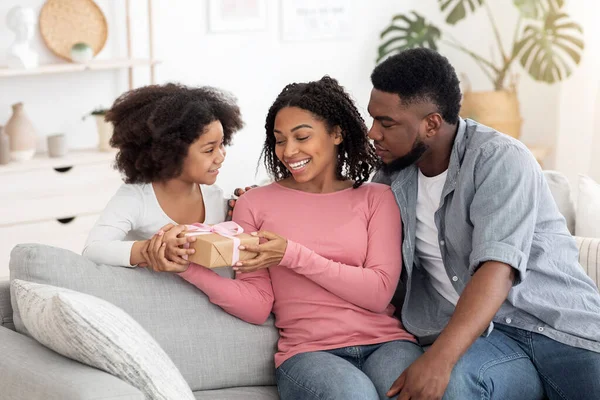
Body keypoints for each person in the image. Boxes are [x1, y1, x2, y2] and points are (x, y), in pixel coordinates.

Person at [152, 76, 423, 400]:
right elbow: (257, 304)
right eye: (280, 140)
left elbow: (379, 293)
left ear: (337, 133)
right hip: (309, 353)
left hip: (388, 343)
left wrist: (291, 254)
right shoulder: (255, 203)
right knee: (354, 394)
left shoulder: (377, 198)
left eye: (302, 137)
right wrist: (188, 269)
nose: (289, 151)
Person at [368, 48, 600, 400]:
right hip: (488, 342)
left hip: (559, 329)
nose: (373, 133)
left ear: (431, 123)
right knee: (455, 386)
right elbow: (345, 220)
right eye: (373, 119)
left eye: (386, 124)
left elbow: (498, 269)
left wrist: (439, 359)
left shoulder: (499, 159)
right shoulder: (389, 176)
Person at [82, 83, 243, 268]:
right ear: (171, 151)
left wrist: (245, 210)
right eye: (209, 150)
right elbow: (92, 250)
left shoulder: (215, 197)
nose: (221, 156)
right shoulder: (137, 196)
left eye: (222, 144)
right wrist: (149, 250)